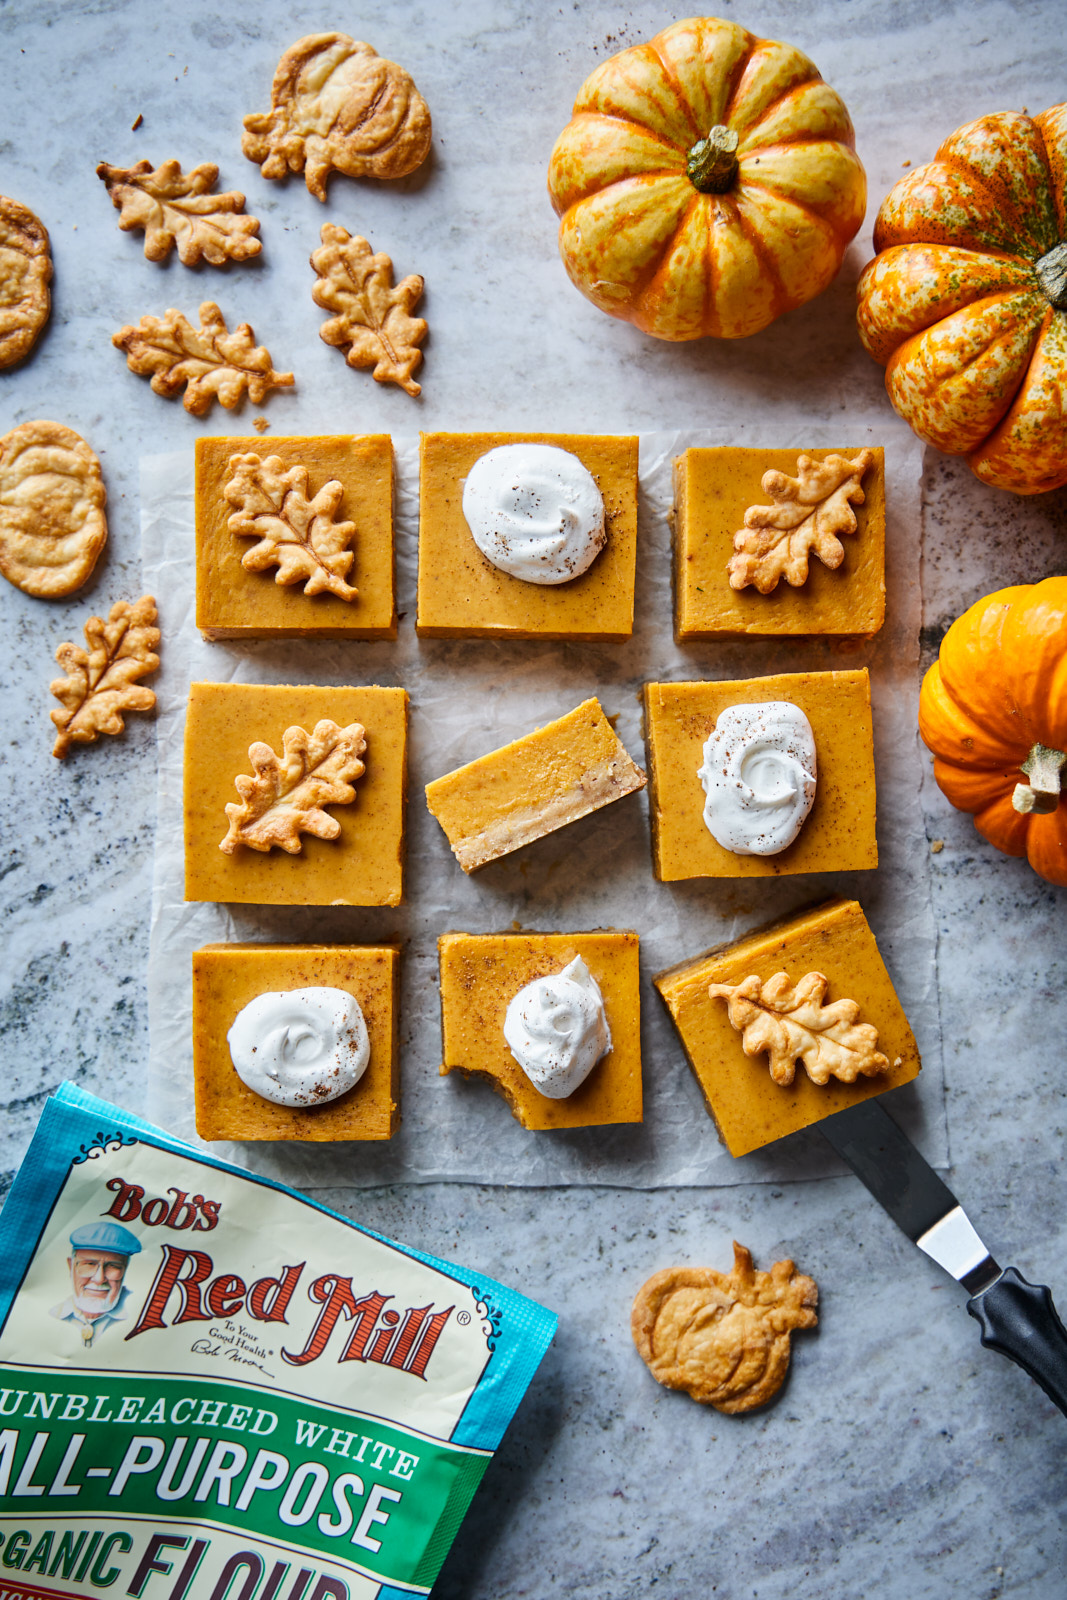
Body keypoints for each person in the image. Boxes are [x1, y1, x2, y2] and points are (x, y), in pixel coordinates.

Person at [49, 1221, 142, 1349]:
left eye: (113, 1266)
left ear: (125, 1270)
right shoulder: (53, 1313)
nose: (99, 1279)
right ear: (71, 1266)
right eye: (89, 1264)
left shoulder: (140, 1317)